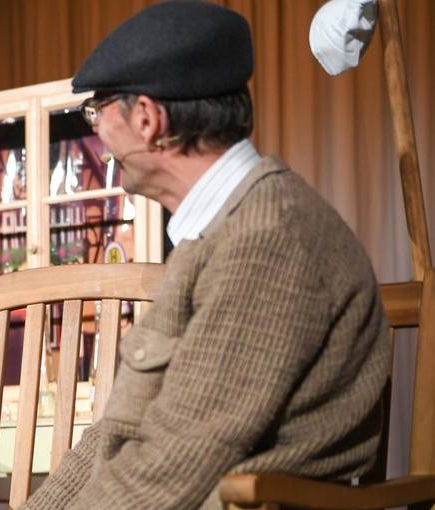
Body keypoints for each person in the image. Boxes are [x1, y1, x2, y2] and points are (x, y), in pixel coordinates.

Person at [24, 2, 390, 509]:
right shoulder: (218, 230)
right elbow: (120, 434)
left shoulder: (268, 238)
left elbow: (174, 465)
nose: (96, 133)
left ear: (148, 118)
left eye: (97, 112)